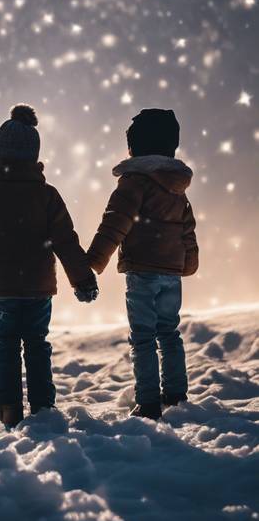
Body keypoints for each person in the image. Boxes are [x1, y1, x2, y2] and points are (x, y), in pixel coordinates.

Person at [0, 104, 99, 428]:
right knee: (37, 343)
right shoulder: (46, 195)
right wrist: (82, 280)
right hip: (38, 287)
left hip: (0, 286)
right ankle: (43, 408)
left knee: (7, 343)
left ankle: (9, 409)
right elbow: (66, 241)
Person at [87, 108, 199, 420]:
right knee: (169, 332)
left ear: (134, 148)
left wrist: (93, 260)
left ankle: (148, 401)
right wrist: (187, 263)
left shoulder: (134, 183)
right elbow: (187, 229)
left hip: (142, 272)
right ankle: (176, 393)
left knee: (144, 337)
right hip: (171, 274)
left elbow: (114, 224)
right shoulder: (177, 190)